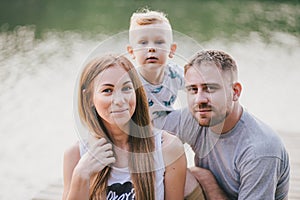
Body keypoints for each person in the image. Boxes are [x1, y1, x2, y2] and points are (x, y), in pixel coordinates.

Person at [162, 50, 290, 199]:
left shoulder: (260, 150)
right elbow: (142, 139)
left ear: (235, 92)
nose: (199, 99)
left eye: (210, 88)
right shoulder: (196, 116)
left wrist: (208, 183)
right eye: (193, 89)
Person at [62, 55, 188, 200]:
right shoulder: (76, 155)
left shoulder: (168, 148)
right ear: (89, 98)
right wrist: (81, 175)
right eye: (107, 90)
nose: (120, 100)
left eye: (127, 88)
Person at [127, 8, 184, 129]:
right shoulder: (130, 80)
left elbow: (198, 84)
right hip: (141, 129)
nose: (151, 48)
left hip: (169, 125)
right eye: (143, 43)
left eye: (159, 42)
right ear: (132, 52)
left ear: (172, 50)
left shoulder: (175, 74)